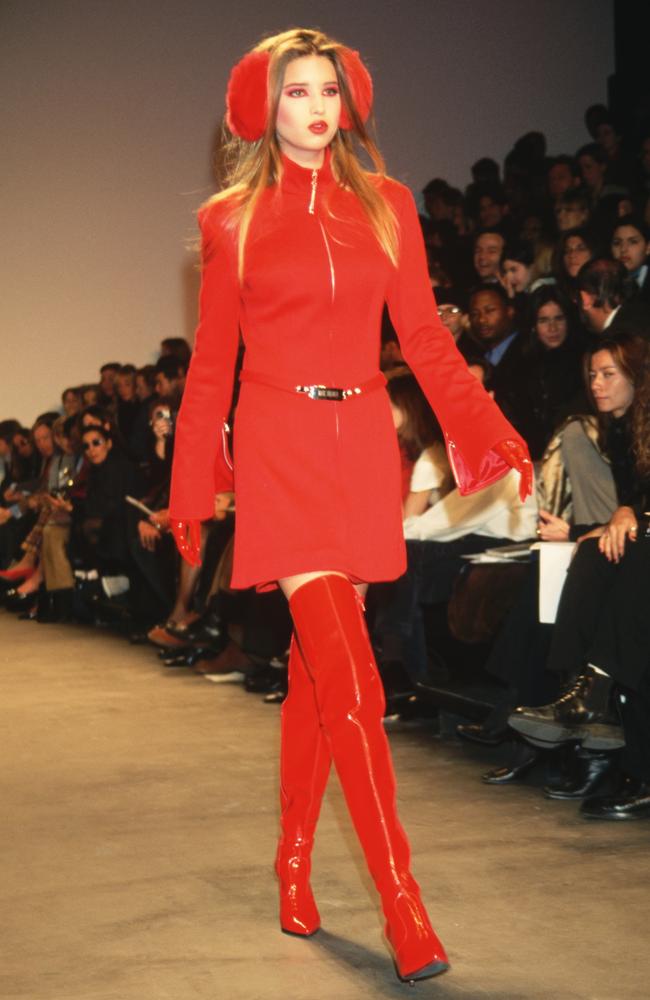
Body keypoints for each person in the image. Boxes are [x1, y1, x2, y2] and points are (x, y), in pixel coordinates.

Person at [168, 28, 531, 984]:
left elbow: (423, 336)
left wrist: (489, 430)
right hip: (281, 449)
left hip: (364, 444)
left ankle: (293, 860)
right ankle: (404, 905)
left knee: (321, 674)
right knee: (356, 684)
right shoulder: (230, 219)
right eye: (298, 91)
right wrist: (190, 485)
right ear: (265, 107)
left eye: (330, 89)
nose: (318, 107)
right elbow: (211, 364)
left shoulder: (389, 205)